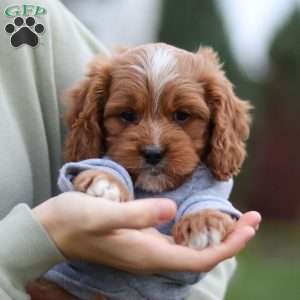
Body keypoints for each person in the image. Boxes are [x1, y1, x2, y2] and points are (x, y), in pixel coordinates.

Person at [0, 0, 261, 299]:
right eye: (127, 116)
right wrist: (101, 184)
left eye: (182, 116)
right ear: (96, 116)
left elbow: (214, 253)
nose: (153, 144)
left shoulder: (31, 17)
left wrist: (206, 219)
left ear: (218, 121)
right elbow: (88, 169)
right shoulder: (107, 164)